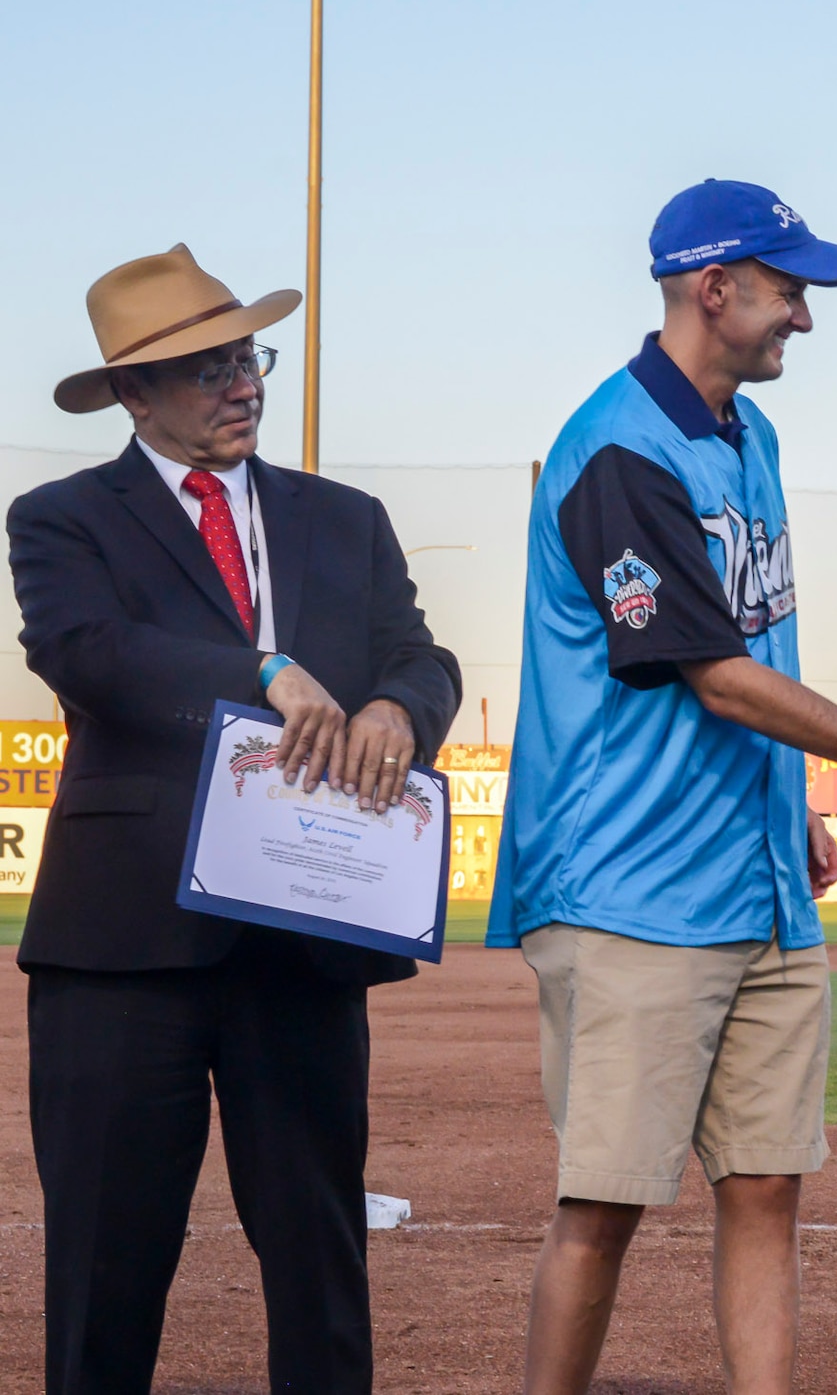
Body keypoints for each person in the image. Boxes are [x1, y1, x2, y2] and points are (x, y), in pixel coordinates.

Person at [489, 179, 837, 1395]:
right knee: (604, 1203)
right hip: (629, 890)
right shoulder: (617, 450)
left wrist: (782, 800)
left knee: (767, 1185)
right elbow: (709, 669)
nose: (804, 315)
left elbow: (751, 651)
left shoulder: (750, 433)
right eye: (789, 289)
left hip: (756, 880)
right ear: (713, 287)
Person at [10, 244, 463, 1393]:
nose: (243, 384)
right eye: (208, 369)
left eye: (246, 357)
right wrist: (261, 671)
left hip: (302, 945)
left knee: (319, 1268)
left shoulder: (343, 518)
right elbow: (87, 653)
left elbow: (422, 655)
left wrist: (400, 710)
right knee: (105, 1275)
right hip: (122, 952)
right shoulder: (61, 518)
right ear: (132, 394)